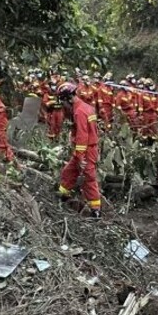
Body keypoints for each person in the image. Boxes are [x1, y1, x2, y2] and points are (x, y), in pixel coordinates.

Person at [56, 82, 102, 218]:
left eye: (63, 101)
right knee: (68, 172)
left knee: (89, 179)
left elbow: (83, 136)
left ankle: (96, 211)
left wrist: (80, 157)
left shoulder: (79, 112)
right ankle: (63, 195)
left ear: (68, 98)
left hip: (87, 150)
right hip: (85, 149)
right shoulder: (86, 107)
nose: (63, 105)